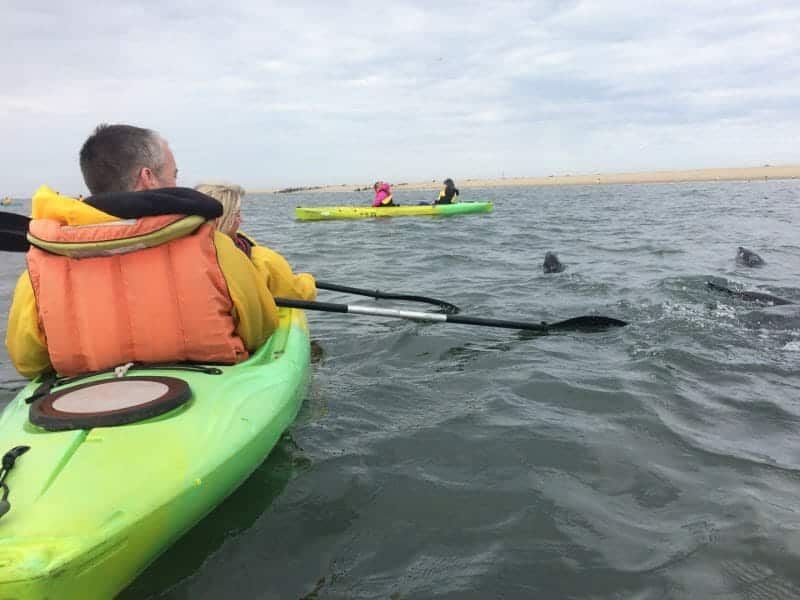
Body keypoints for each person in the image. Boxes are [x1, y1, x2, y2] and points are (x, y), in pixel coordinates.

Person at [5, 124, 279, 379]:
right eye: (173, 174)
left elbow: (28, 360)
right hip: (204, 387)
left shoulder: (44, 261)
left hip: (87, 394)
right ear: (148, 177)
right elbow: (260, 327)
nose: (176, 182)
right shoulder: (212, 245)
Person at [195, 183, 317, 301]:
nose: (241, 220)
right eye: (237, 215)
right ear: (224, 219)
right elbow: (299, 293)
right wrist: (308, 279)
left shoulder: (185, 255)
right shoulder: (261, 260)